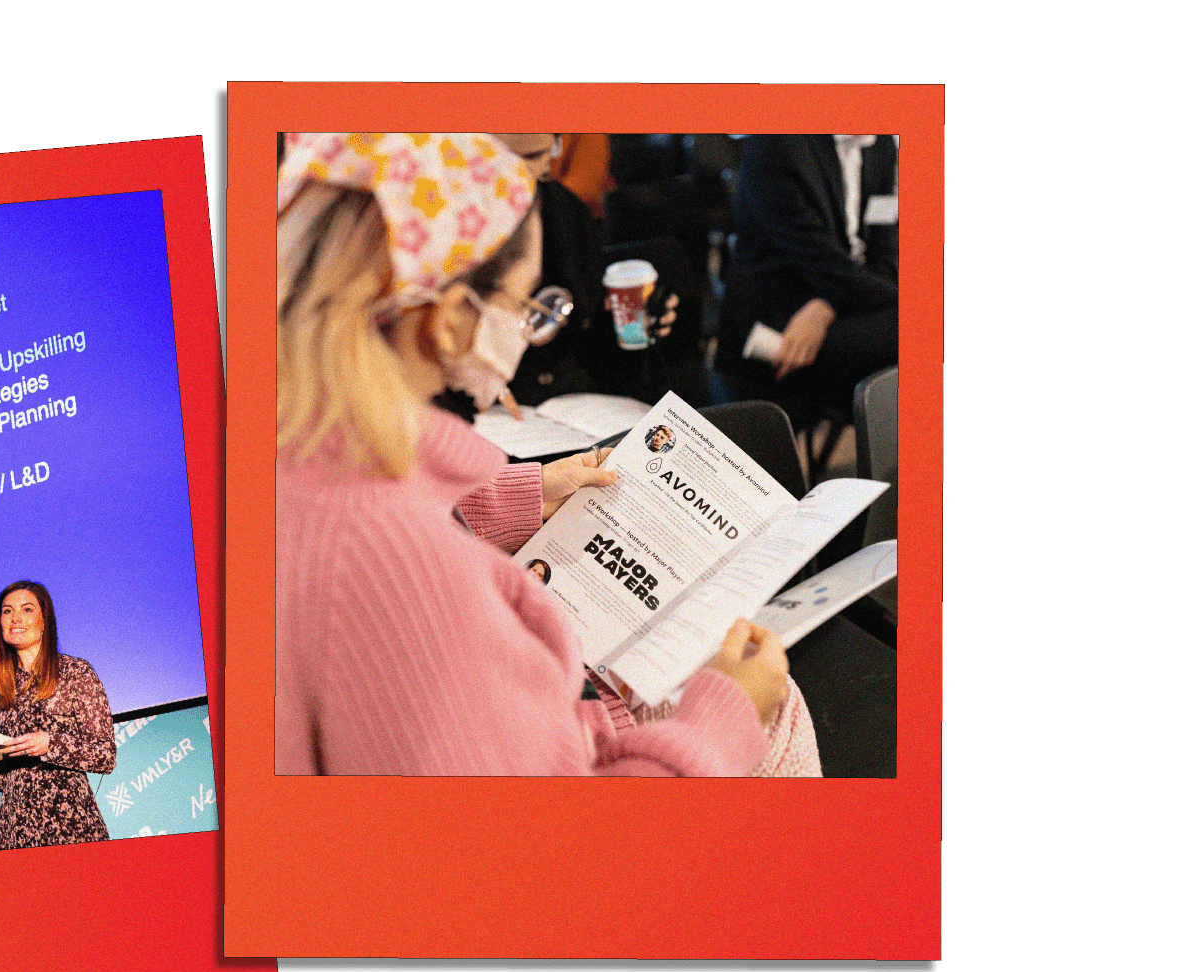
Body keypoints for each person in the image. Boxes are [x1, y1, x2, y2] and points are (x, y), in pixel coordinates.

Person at [273, 131, 816, 777]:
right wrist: (725, 713)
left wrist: (521, 493)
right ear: (447, 320)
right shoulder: (406, 568)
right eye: (521, 304)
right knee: (776, 703)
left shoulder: (279, 447)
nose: (529, 327)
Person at [723, 134, 898, 427]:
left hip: (840, 304)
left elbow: (886, 247)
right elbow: (816, 260)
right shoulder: (776, 142)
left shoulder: (879, 144)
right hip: (781, 319)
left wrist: (826, 307)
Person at [0, 580, 114, 848]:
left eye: (27, 609)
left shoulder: (76, 673)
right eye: (7, 611)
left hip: (70, 825)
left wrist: (50, 744)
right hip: (17, 831)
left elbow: (105, 756)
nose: (15, 618)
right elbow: (15, 779)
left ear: (44, 621)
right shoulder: (0, 691)